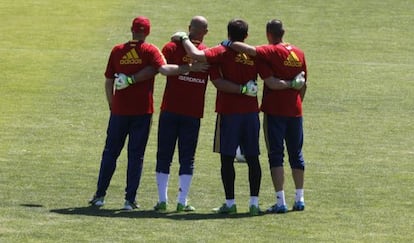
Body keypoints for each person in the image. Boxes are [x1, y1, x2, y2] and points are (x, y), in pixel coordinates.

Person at [89, 16, 207, 211]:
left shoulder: (117, 51)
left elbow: (109, 80)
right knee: (136, 156)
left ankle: (100, 196)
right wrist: (190, 68)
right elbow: (162, 69)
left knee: (110, 153)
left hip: (119, 111)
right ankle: (129, 200)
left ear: (131, 29)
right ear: (148, 32)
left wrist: (112, 104)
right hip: (143, 112)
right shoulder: (150, 51)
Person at [172, 19, 275, 216]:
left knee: (227, 159)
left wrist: (184, 37)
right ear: (246, 36)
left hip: (229, 113)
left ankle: (230, 203)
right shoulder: (253, 54)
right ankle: (254, 203)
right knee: (253, 158)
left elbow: (195, 56)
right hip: (251, 114)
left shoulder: (220, 51)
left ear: (228, 34)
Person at [224, 19, 307, 213]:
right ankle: (300, 198)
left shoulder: (270, 51)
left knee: (276, 155)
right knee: (297, 154)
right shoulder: (299, 53)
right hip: (295, 112)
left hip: (275, 112)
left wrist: (227, 43)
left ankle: (281, 202)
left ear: (269, 34)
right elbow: (304, 84)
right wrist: (296, 100)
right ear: (284, 32)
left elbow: (270, 81)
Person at [151, 16, 210, 213]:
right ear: (205, 32)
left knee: (163, 155)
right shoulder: (207, 53)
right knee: (187, 158)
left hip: (170, 110)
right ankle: (181, 201)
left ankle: (162, 200)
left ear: (189, 28)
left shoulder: (171, 47)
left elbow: (162, 69)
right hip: (192, 113)